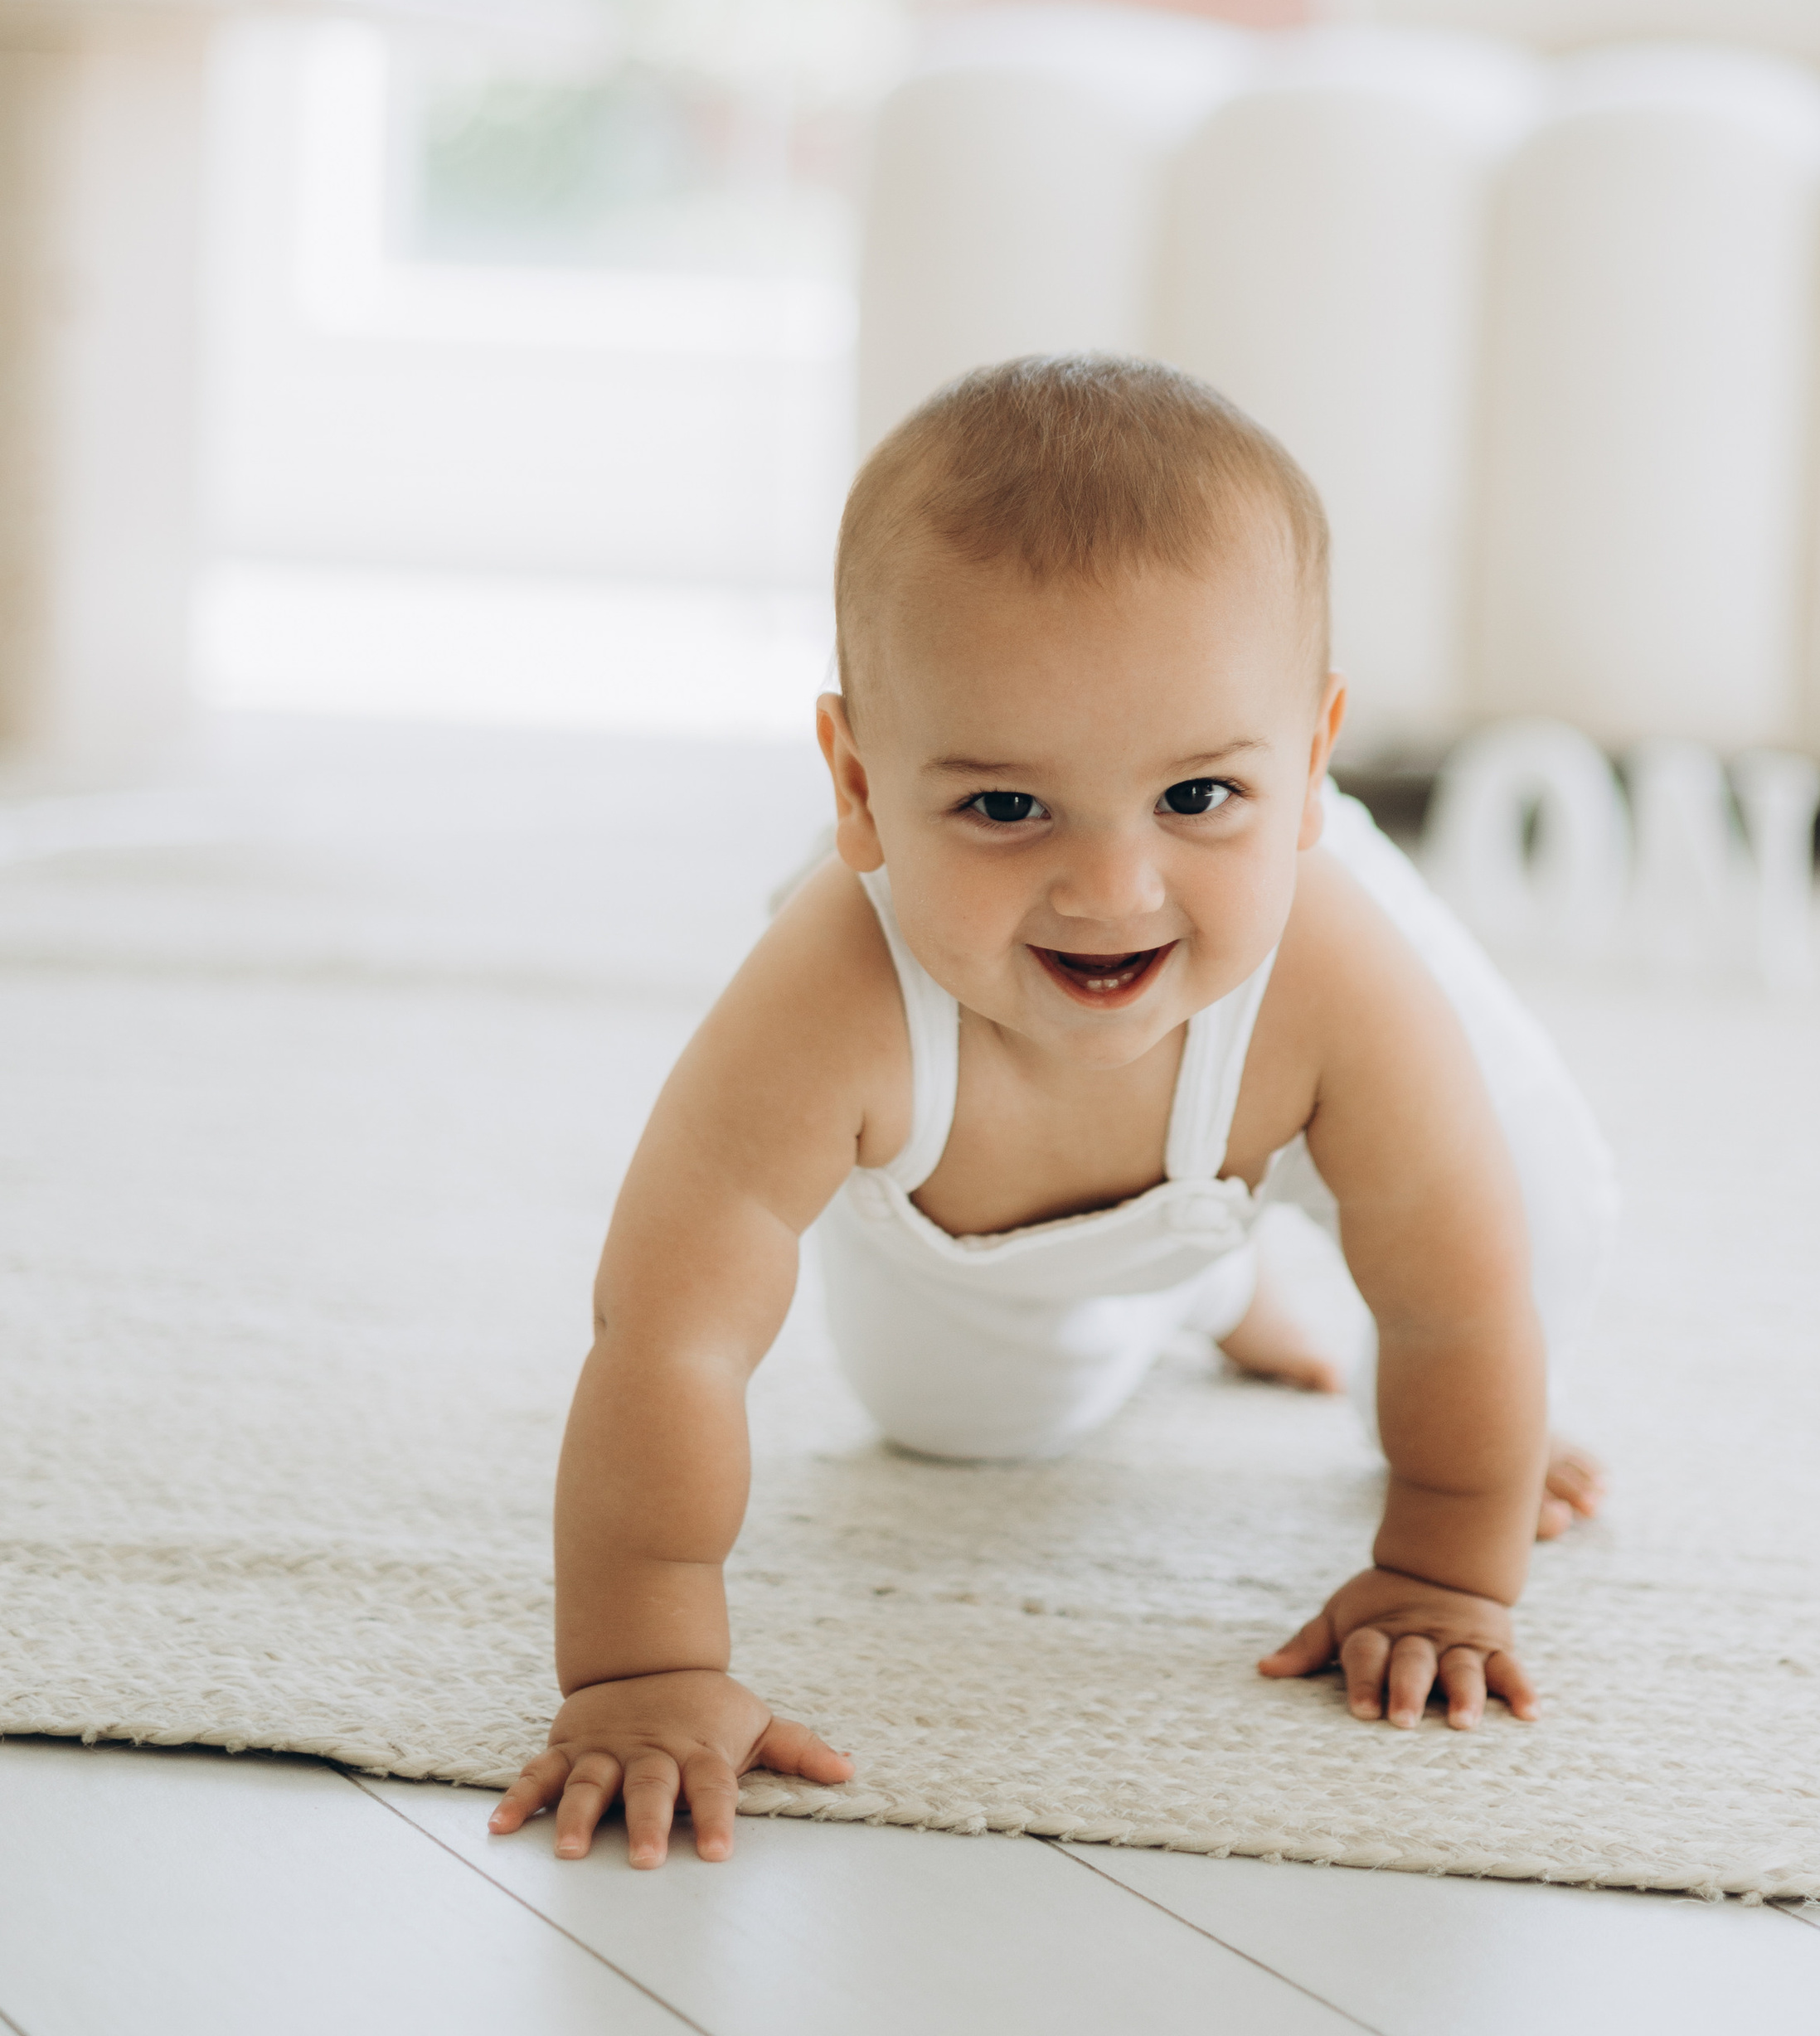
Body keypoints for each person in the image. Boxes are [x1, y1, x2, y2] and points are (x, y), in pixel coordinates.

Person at [491, 356, 1617, 1870]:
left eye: (1195, 795)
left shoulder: (1333, 973)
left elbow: (1455, 1296)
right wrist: (641, 1670)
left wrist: (1445, 1563)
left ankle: (1242, 1208)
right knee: (962, 1429)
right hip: (965, 1202)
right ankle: (1206, 1276)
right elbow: (669, 1333)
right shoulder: (829, 996)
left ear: (1312, 758)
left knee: (1533, 1216)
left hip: (1271, 1038)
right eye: (1007, 808)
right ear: (859, 787)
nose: (1112, 890)